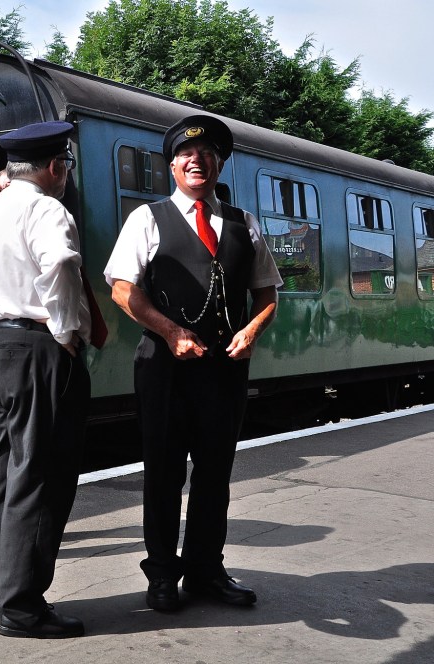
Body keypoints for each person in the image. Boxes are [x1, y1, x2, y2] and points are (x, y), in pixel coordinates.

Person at [103, 114, 282, 612]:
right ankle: (161, 575)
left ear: (219, 163)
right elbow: (122, 290)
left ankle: (205, 571)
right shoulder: (147, 218)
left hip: (223, 371)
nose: (196, 160)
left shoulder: (245, 224)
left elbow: (267, 293)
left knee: (214, 473)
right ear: (173, 166)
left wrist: (251, 330)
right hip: (164, 367)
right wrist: (171, 331)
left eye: (206, 154)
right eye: (186, 155)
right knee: (163, 474)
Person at [0, 120, 91, 639]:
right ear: (55, 167)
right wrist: (67, 330)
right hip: (35, 348)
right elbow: (62, 264)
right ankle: (23, 606)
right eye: (66, 167)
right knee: (39, 472)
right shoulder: (47, 208)